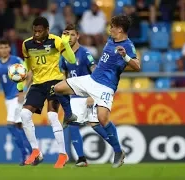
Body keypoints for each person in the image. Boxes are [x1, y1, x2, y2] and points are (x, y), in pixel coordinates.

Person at [54, 15, 141, 168]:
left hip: (106, 87)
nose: (110, 29)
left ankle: (118, 151)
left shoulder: (128, 45)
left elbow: (137, 66)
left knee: (102, 119)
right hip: (91, 80)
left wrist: (125, 57)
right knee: (57, 88)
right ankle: (69, 115)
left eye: (113, 27)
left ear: (120, 29)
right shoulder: (110, 39)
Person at [60, 24, 124, 167]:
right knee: (74, 123)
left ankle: (117, 150)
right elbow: (63, 76)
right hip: (75, 95)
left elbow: (95, 71)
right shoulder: (63, 55)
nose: (69, 38)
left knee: (96, 124)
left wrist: (92, 94)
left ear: (78, 36)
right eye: (66, 35)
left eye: (72, 35)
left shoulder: (84, 53)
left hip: (89, 92)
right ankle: (82, 159)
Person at [19, 16, 76, 168]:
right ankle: (36, 151)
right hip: (37, 83)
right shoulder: (27, 44)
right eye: (35, 31)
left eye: (40, 31)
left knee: (52, 116)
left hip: (55, 82)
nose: (36, 34)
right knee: (24, 115)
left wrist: (66, 43)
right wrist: (21, 77)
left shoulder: (56, 41)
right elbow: (27, 65)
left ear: (47, 30)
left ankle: (63, 155)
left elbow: (71, 60)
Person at [0, 39, 32, 166]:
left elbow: (29, 74)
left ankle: (25, 155)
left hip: (16, 97)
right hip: (8, 98)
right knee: (19, 127)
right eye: (1, 47)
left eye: (6, 47)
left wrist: (23, 91)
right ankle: (34, 153)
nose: (4, 50)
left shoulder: (16, 61)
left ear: (9, 48)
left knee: (10, 124)